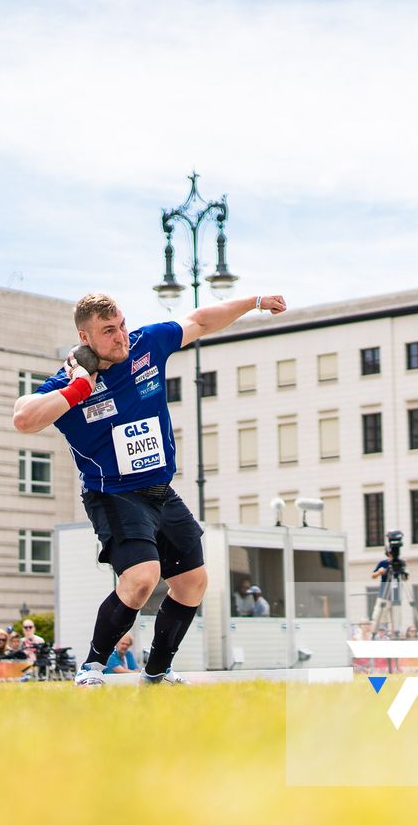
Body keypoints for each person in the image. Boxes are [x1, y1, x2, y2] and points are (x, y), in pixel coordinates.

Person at [15, 288, 288, 686]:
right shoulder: (69, 385)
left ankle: (157, 670)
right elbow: (24, 419)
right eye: (109, 331)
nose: (121, 336)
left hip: (160, 489)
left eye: (122, 325)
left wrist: (254, 302)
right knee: (142, 578)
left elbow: (200, 320)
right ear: (85, 339)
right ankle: (91, 667)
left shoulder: (146, 345)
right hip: (113, 494)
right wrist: (78, 389)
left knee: (193, 583)